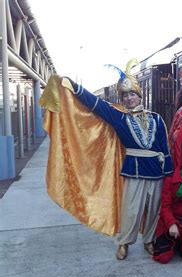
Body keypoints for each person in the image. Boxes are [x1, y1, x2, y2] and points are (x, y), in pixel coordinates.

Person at [64, 59, 173, 260]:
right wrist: (77, 88)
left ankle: (149, 240)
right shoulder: (120, 118)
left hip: (156, 171)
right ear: (122, 99)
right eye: (126, 95)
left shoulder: (157, 118)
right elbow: (97, 105)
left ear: (140, 95)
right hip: (134, 170)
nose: (130, 98)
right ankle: (124, 243)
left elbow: (164, 147)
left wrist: (169, 173)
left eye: (133, 94)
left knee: (154, 211)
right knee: (131, 211)